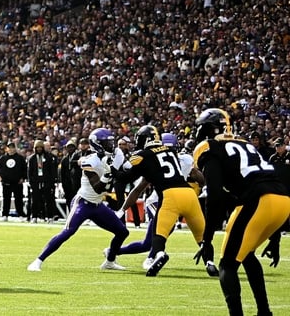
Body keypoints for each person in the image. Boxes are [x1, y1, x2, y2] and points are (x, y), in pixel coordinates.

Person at [194, 108, 290, 316]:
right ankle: (264, 312)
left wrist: (207, 238)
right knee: (246, 255)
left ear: (209, 128)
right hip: (283, 201)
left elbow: (216, 195)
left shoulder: (209, 147)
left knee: (227, 265)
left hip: (258, 201)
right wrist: (275, 238)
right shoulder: (245, 143)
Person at [110, 124, 207, 276]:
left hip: (173, 199)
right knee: (155, 238)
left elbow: (200, 178)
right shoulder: (171, 157)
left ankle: (127, 253)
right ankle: (149, 257)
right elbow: (139, 188)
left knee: (155, 237)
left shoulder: (157, 157)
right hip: (159, 201)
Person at [28, 128, 129, 272]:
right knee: (68, 231)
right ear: (97, 144)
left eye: (112, 142)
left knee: (122, 232)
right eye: (108, 143)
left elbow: (127, 171)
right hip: (83, 202)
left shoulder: (117, 154)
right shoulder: (90, 161)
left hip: (97, 205)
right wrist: (108, 173)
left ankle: (110, 261)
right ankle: (38, 261)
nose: (112, 145)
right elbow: (98, 188)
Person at [27, 140, 59, 221]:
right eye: (37, 147)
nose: (39, 149)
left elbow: (52, 171)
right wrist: (31, 182)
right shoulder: (32, 158)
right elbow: (30, 172)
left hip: (46, 182)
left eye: (40, 147)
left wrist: (52, 182)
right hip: (36, 182)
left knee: (48, 200)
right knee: (35, 200)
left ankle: (50, 217)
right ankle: (34, 216)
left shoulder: (48, 157)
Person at [0, 142, 27, 220]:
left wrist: (23, 178)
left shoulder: (20, 158)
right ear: (7, 148)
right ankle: (5, 215)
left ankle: (20, 215)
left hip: (17, 183)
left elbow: (25, 169)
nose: (11, 149)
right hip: (6, 182)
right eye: (9, 147)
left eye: (13, 147)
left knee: (19, 199)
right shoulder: (3, 158)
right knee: (6, 199)